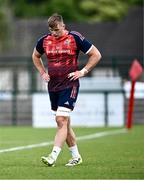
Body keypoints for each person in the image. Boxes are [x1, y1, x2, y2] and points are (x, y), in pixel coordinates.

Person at [32, 13, 101, 167]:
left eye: (56, 30)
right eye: (51, 31)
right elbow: (35, 56)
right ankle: (76, 156)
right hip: (53, 86)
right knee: (65, 123)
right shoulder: (44, 40)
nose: (54, 33)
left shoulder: (75, 38)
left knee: (60, 120)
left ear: (63, 26)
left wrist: (82, 72)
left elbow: (96, 55)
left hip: (70, 84)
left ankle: (53, 156)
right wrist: (43, 72)